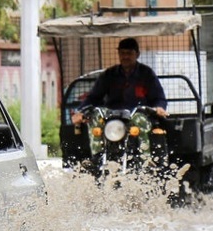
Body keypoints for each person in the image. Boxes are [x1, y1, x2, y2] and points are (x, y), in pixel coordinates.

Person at [63, 37, 167, 166]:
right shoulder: (109, 74)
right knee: (96, 116)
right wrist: (81, 112)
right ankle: (97, 157)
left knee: (140, 120)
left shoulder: (146, 74)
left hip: (137, 112)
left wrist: (159, 108)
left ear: (137, 54)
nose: (125, 57)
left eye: (129, 53)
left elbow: (159, 98)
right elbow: (93, 97)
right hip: (112, 115)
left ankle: (145, 159)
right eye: (122, 53)